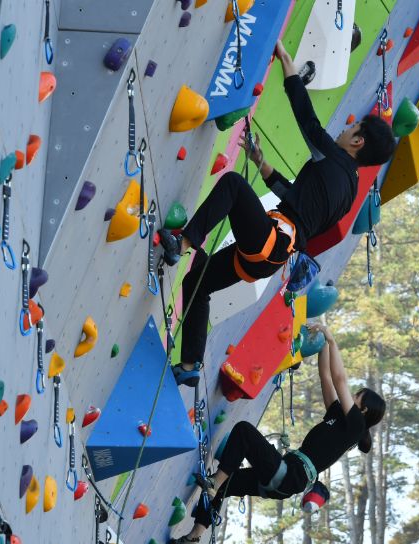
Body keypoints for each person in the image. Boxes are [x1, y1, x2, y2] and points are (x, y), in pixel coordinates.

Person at [158, 40, 397, 387]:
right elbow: (295, 202)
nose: (345, 129)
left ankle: (181, 245)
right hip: (269, 258)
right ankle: (191, 363)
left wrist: (285, 59)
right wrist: (262, 164)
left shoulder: (334, 156)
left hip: (271, 240)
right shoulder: (347, 196)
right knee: (198, 282)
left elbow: (306, 117)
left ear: (357, 142)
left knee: (234, 186)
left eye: (352, 128)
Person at [168, 322, 386, 544]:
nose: (351, 395)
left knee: (244, 431)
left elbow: (339, 380)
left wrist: (331, 339)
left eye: (356, 396)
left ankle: (214, 481)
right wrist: (322, 345)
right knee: (228, 485)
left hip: (290, 475)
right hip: (286, 478)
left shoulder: (356, 426)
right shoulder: (341, 420)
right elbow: (326, 378)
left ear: (363, 411)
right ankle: (194, 536)